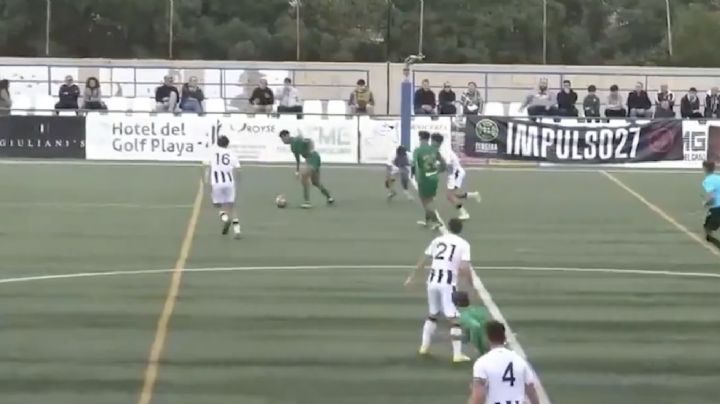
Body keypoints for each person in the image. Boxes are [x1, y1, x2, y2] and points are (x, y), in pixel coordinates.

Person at [404, 218, 473, 363]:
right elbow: (465, 267)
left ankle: (424, 347)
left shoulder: (437, 240)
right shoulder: (463, 244)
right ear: (460, 230)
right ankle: (457, 354)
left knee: (433, 314)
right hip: (448, 283)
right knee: (454, 319)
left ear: (448, 227)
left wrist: (412, 277)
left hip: (432, 281)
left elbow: (424, 259)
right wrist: (470, 285)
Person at [467, 320, 541, 404]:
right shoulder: (520, 360)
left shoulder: (482, 362)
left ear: (487, 338)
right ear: (504, 337)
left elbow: (478, 395)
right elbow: (531, 390)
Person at [279, 129, 334, 208]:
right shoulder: (292, 147)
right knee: (315, 182)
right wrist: (297, 171)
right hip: (311, 159)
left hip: (313, 158)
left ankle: (307, 202)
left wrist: (311, 149)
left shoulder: (297, 139)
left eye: (283, 138)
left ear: (287, 136)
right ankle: (329, 197)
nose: (283, 141)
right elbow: (297, 159)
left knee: (304, 176)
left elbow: (309, 141)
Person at [431, 133, 481, 220]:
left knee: (450, 196)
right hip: (453, 173)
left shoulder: (444, 151)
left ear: (436, 142)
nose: (431, 143)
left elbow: (444, 166)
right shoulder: (438, 150)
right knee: (454, 195)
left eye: (432, 141)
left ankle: (464, 213)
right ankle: (473, 195)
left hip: (456, 173)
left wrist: (434, 171)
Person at [205, 135, 241, 239]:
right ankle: (237, 230)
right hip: (229, 183)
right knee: (232, 207)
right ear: (227, 144)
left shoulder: (212, 153)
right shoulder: (232, 154)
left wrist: (207, 182)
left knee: (218, 205)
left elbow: (208, 168)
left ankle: (225, 218)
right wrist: (237, 182)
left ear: (218, 143)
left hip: (216, 183)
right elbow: (238, 170)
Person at [412, 131, 445, 230]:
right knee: (429, 200)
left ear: (421, 139)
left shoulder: (417, 150)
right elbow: (444, 164)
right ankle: (428, 221)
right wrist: (437, 171)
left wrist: (416, 177)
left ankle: (436, 221)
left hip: (424, 179)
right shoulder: (434, 149)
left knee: (425, 202)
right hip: (434, 178)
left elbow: (414, 165)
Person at [452, 290, 490, 355]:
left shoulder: (464, 316)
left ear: (457, 303)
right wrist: (461, 338)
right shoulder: (479, 309)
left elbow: (475, 326)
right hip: (495, 339)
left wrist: (477, 345)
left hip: (486, 344)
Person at [702, 160, 720, 249]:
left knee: (707, 228)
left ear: (704, 168)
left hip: (717, 208)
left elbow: (712, 197)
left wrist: (706, 203)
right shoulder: (718, 178)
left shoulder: (708, 180)